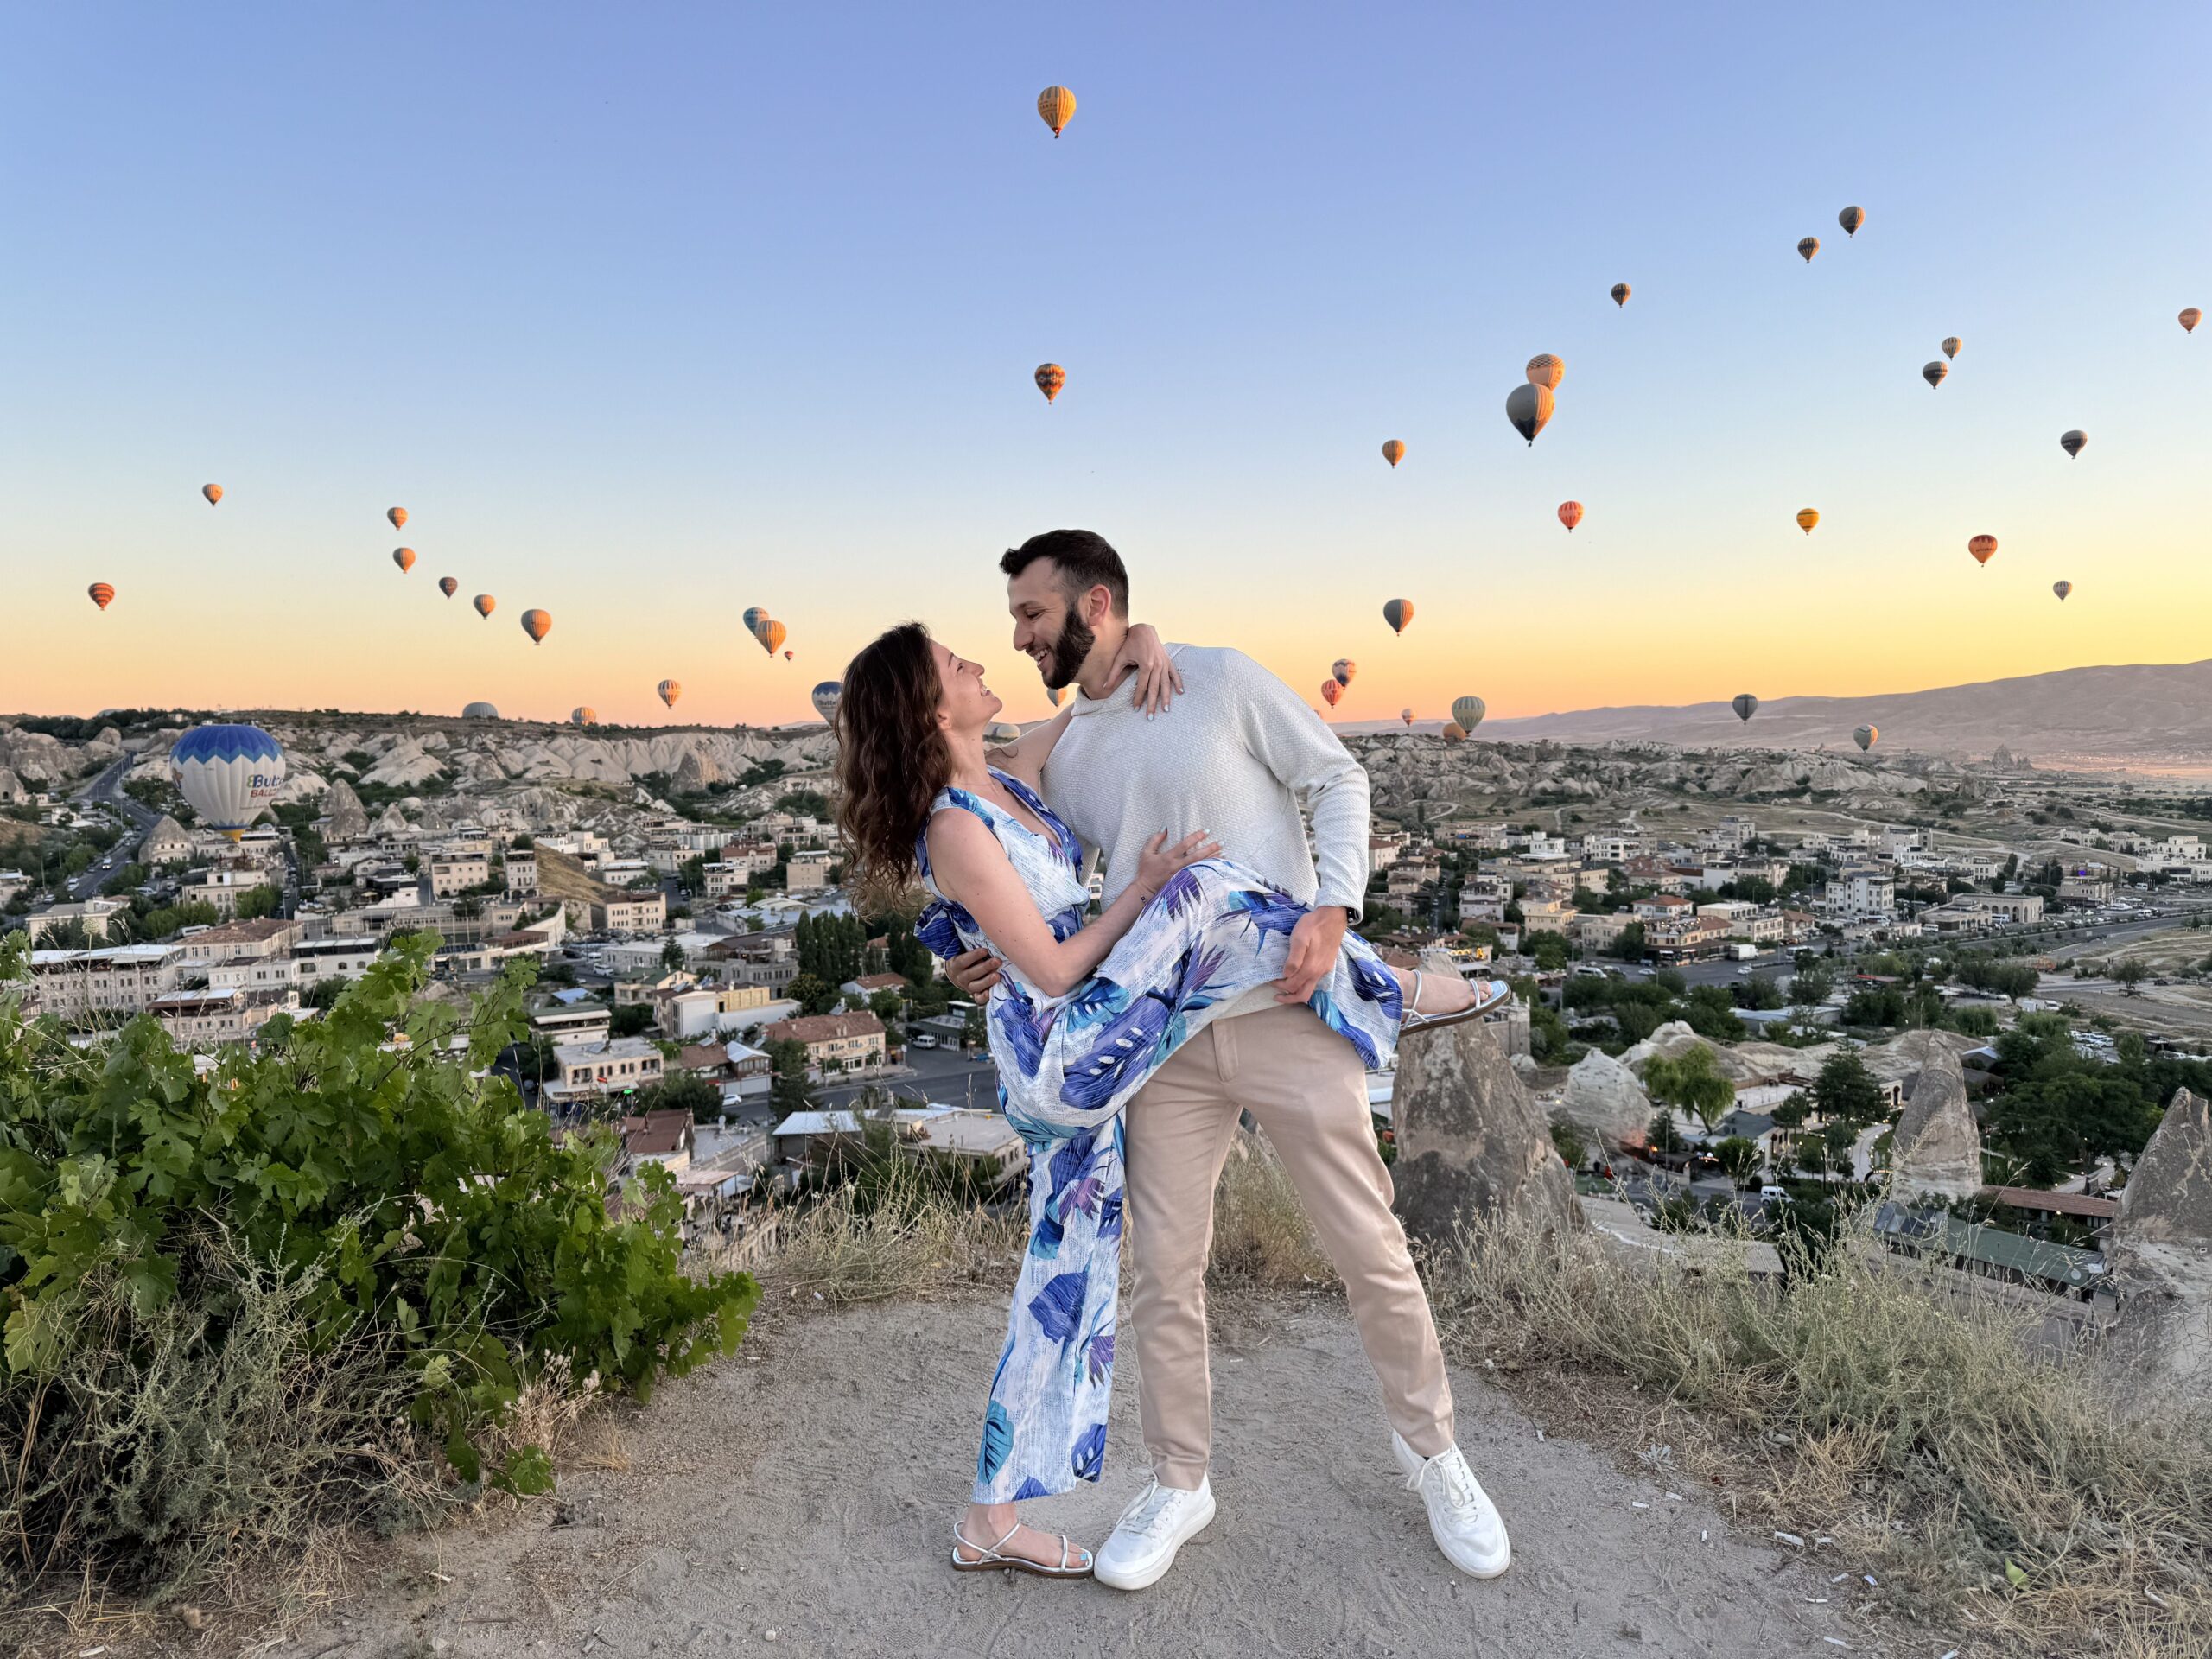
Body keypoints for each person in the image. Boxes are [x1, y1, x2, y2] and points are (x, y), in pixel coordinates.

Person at [834, 615, 1500, 1583]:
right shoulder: (955, 822)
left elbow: (1086, 700)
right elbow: (1048, 964)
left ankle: (992, 1516)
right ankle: (1393, 988)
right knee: (1201, 892)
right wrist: (1141, 888)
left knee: (1067, 1276)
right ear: (929, 708)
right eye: (954, 662)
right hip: (1075, 1047)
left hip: (1154, 1021)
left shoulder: (1013, 771)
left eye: (1024, 618)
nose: (987, 654)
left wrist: (1145, 638)